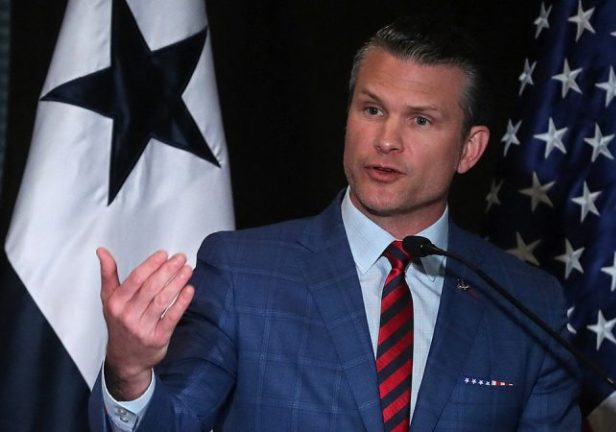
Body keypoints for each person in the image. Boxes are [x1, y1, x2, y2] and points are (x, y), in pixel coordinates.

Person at [89, 16, 580, 431]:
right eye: (372, 109)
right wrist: (129, 373)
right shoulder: (243, 273)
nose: (386, 140)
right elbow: (175, 421)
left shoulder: (527, 304)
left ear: (469, 149)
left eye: (421, 120)